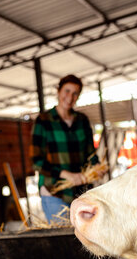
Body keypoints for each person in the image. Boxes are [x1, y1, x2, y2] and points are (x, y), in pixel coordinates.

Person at [30, 74, 98, 222]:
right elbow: (36, 161)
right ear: (58, 91)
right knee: (65, 239)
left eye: (75, 93)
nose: (70, 97)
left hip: (82, 192)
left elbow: (90, 153)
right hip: (55, 191)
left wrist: (97, 167)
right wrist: (66, 174)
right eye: (67, 91)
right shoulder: (43, 121)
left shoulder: (82, 120)